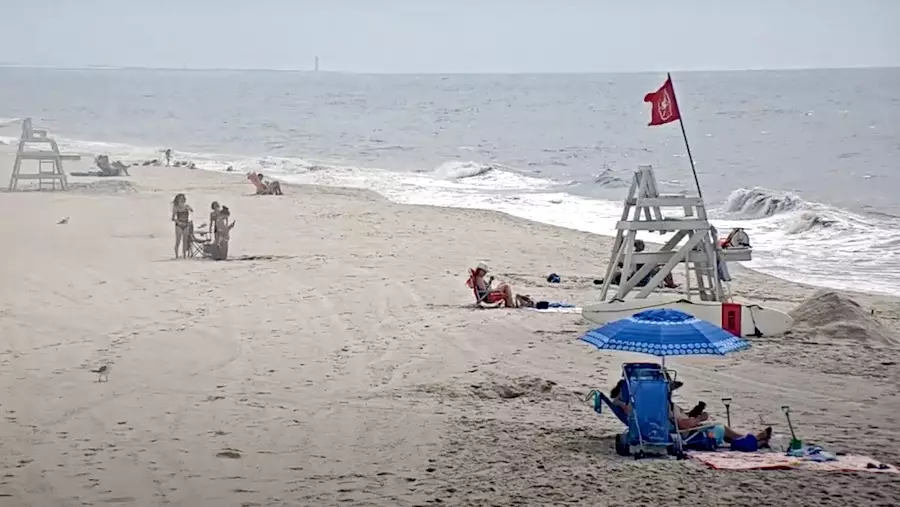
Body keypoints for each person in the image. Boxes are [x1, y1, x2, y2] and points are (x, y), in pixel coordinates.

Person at [673, 404, 772, 448]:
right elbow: (683, 424)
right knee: (722, 428)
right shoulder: (670, 407)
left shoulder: (667, 406)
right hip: (691, 436)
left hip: (689, 433)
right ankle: (756, 440)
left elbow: (682, 421)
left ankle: (758, 440)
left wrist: (693, 415)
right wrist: (699, 419)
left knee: (726, 433)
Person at [171, 193, 193, 259]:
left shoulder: (186, 206)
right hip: (179, 225)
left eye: (182, 199)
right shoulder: (176, 208)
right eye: (180, 199)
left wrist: (190, 209)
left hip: (186, 224)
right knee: (178, 240)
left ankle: (184, 256)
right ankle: (176, 255)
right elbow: (172, 218)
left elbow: (192, 211)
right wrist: (179, 222)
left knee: (185, 240)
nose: (181, 200)